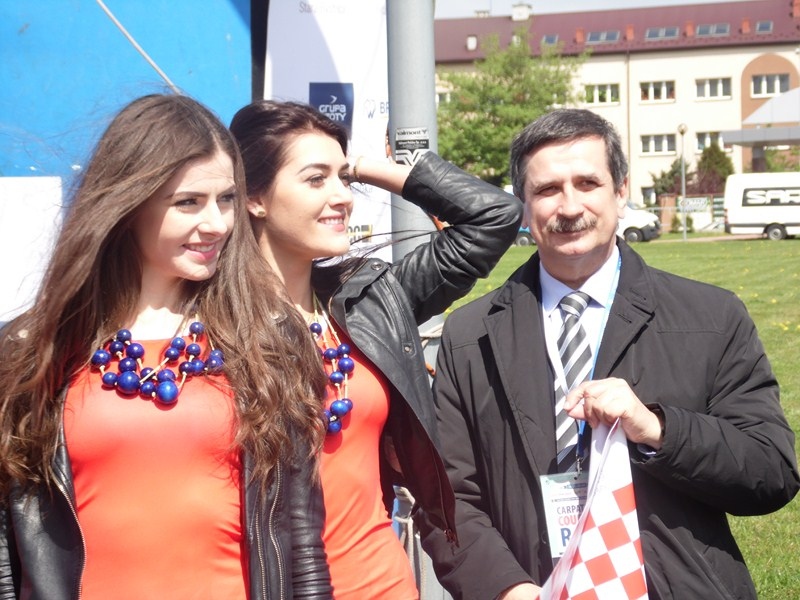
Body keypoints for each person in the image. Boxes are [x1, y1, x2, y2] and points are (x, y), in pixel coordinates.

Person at [419, 108, 800, 600]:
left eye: (588, 183)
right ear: (523, 206)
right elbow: (447, 499)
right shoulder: (470, 336)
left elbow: (770, 470)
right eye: (547, 189)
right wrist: (507, 589)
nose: (569, 206)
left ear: (621, 191)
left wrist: (658, 429)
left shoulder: (712, 317)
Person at [0, 94, 332, 599]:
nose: (218, 223)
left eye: (226, 199)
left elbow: (302, 543)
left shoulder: (268, 339)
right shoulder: (34, 348)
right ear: (128, 205)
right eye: (188, 202)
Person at [229, 100, 522, 599]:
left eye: (344, 180)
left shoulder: (370, 300)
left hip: (383, 582)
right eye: (316, 179)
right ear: (254, 197)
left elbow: (493, 218)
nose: (343, 197)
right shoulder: (213, 324)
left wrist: (364, 164)